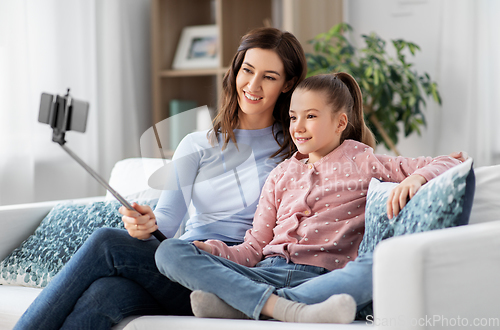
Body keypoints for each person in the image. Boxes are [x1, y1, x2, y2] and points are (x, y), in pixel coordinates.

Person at [14, 27, 307, 330]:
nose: (253, 84)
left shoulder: (296, 148)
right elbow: (166, 221)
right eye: (247, 70)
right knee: (104, 295)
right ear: (235, 70)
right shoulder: (196, 144)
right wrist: (144, 224)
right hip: (180, 263)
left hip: (236, 276)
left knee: (106, 242)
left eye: (269, 77)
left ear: (287, 84)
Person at [155, 72, 463, 323]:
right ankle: (287, 309)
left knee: (379, 263)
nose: (298, 127)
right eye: (292, 117)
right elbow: (252, 249)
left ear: (340, 122)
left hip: (322, 278)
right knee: (169, 252)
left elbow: (454, 160)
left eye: (311, 116)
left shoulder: (362, 160)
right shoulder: (280, 174)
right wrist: (215, 250)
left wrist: (417, 177)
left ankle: (250, 306)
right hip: (263, 274)